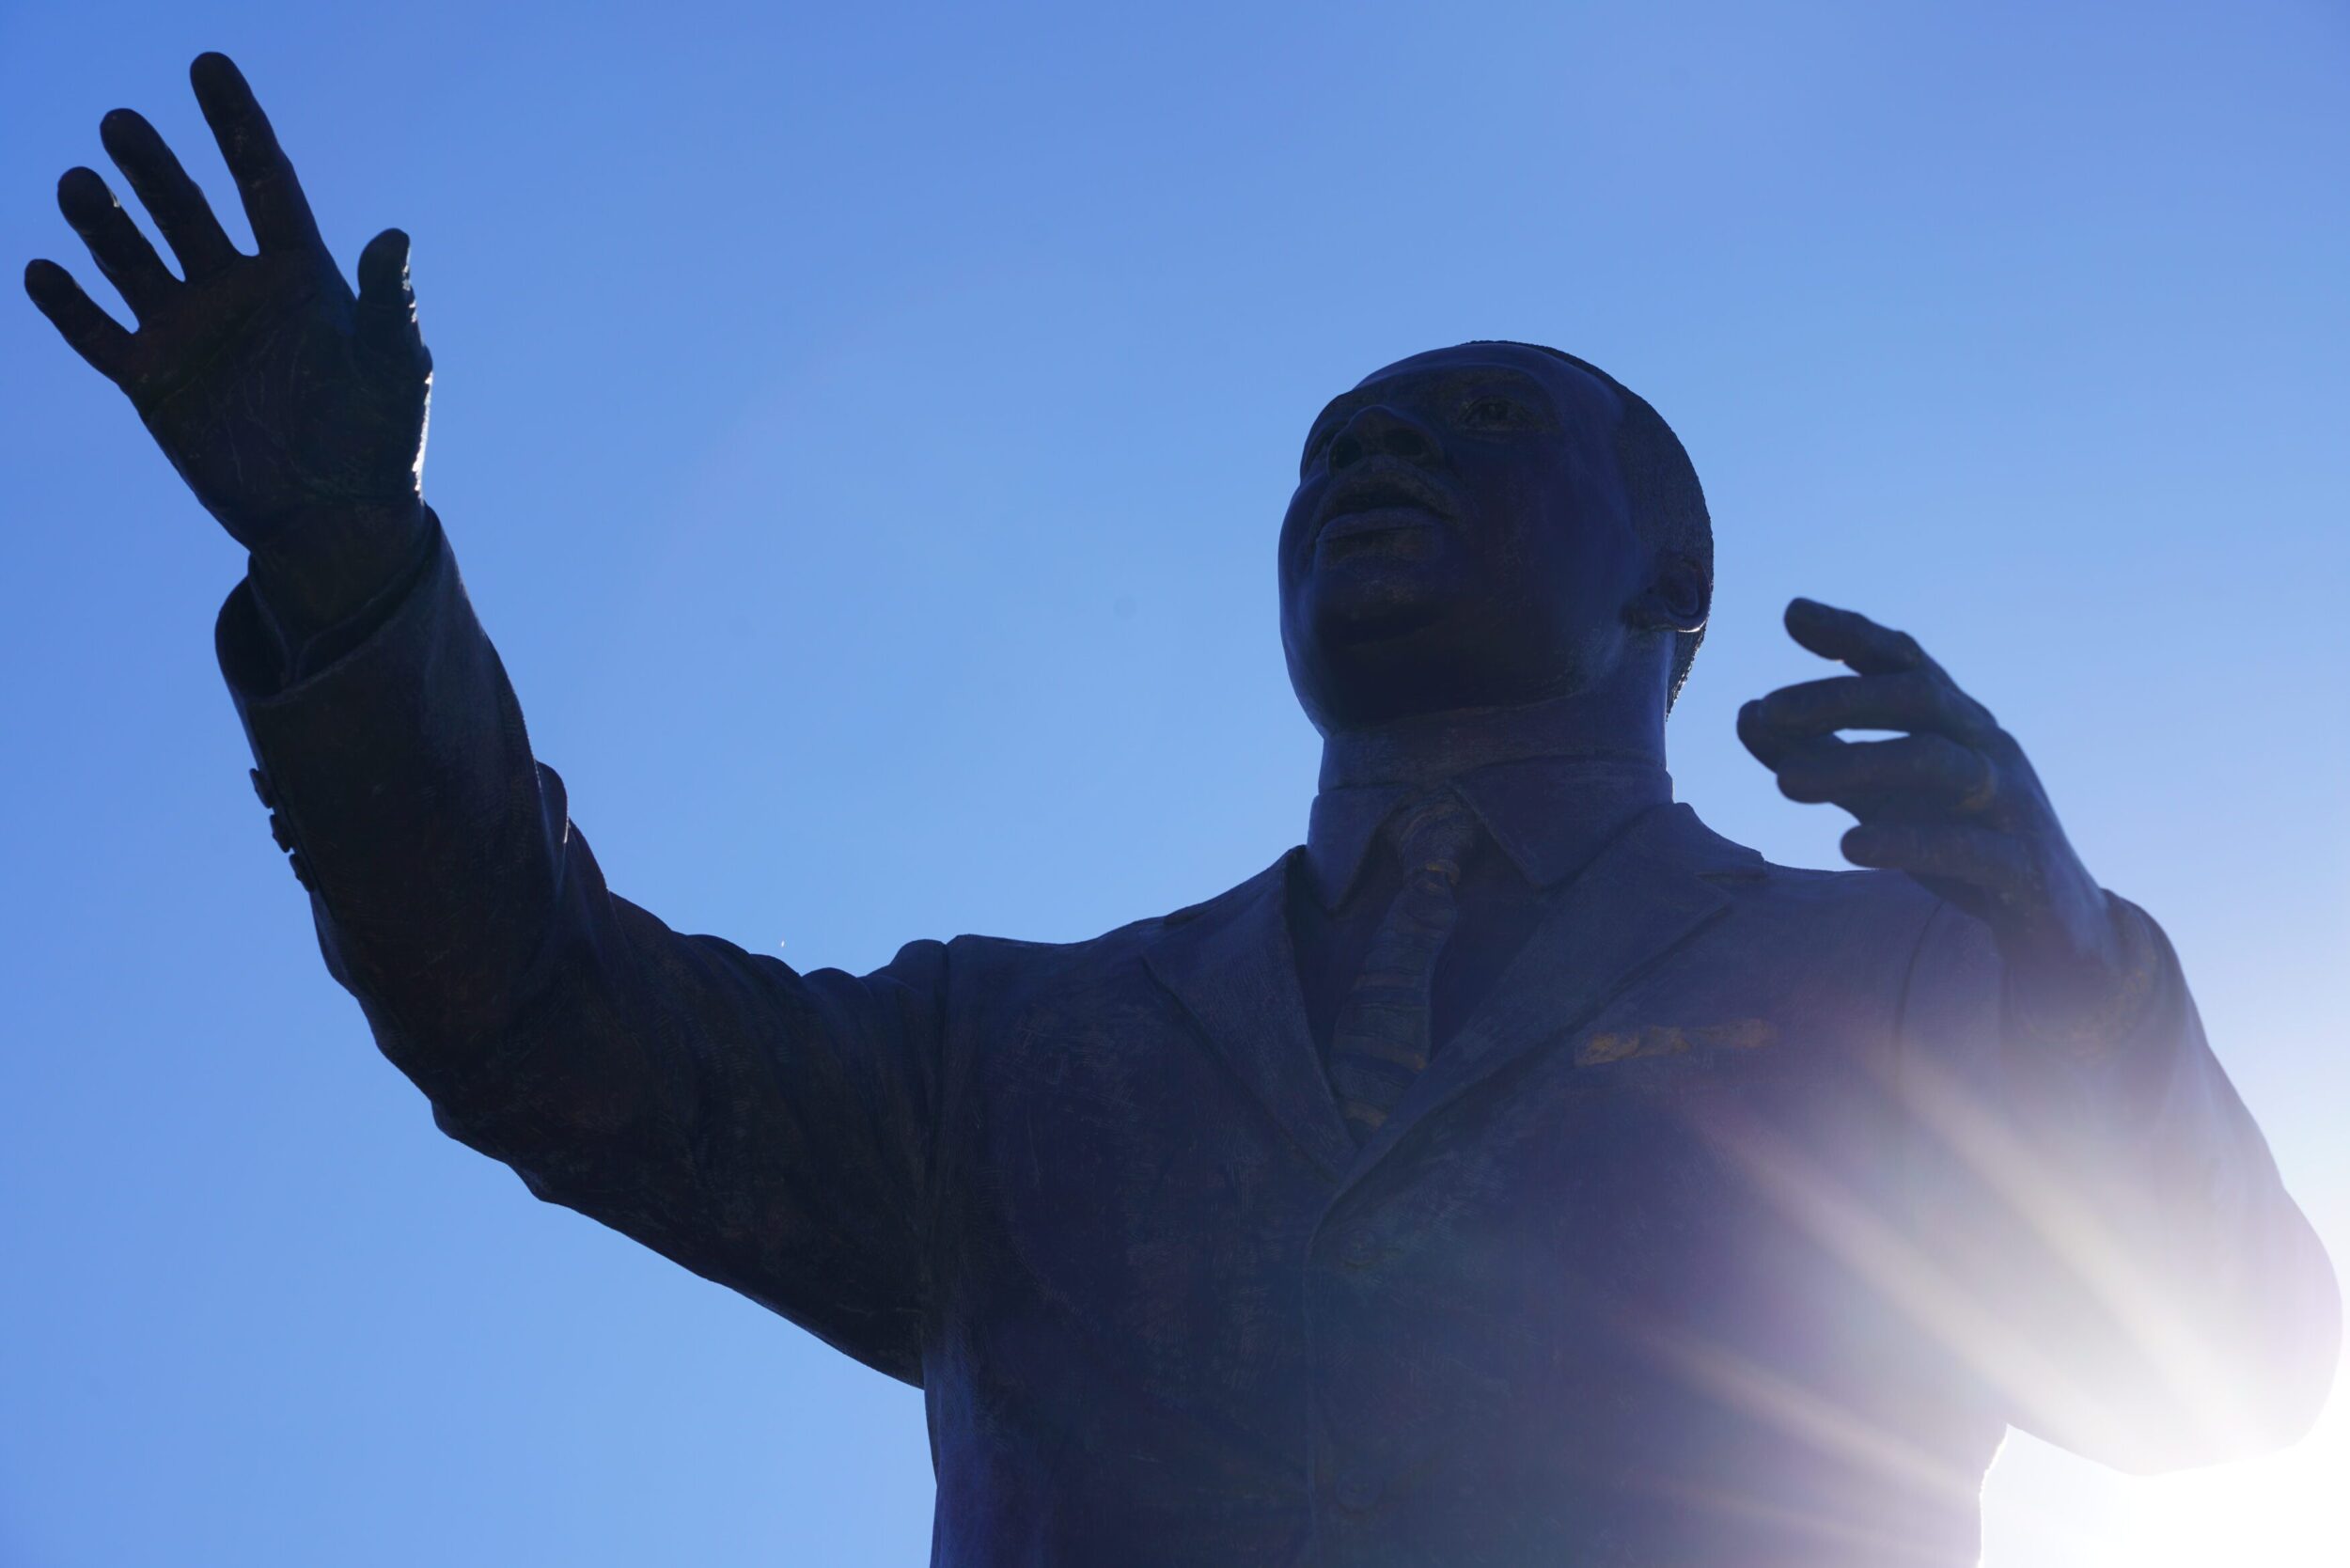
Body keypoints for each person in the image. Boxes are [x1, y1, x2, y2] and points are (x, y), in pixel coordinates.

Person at [26, 52, 2338, 1568]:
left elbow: (2227, 1380)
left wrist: (2088, 980)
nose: (1371, 459)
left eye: (1475, 423)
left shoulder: (1907, 978)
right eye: (1329, 449)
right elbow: (529, 1014)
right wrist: (353, 580)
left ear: (1669, 584)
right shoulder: (1007, 1055)